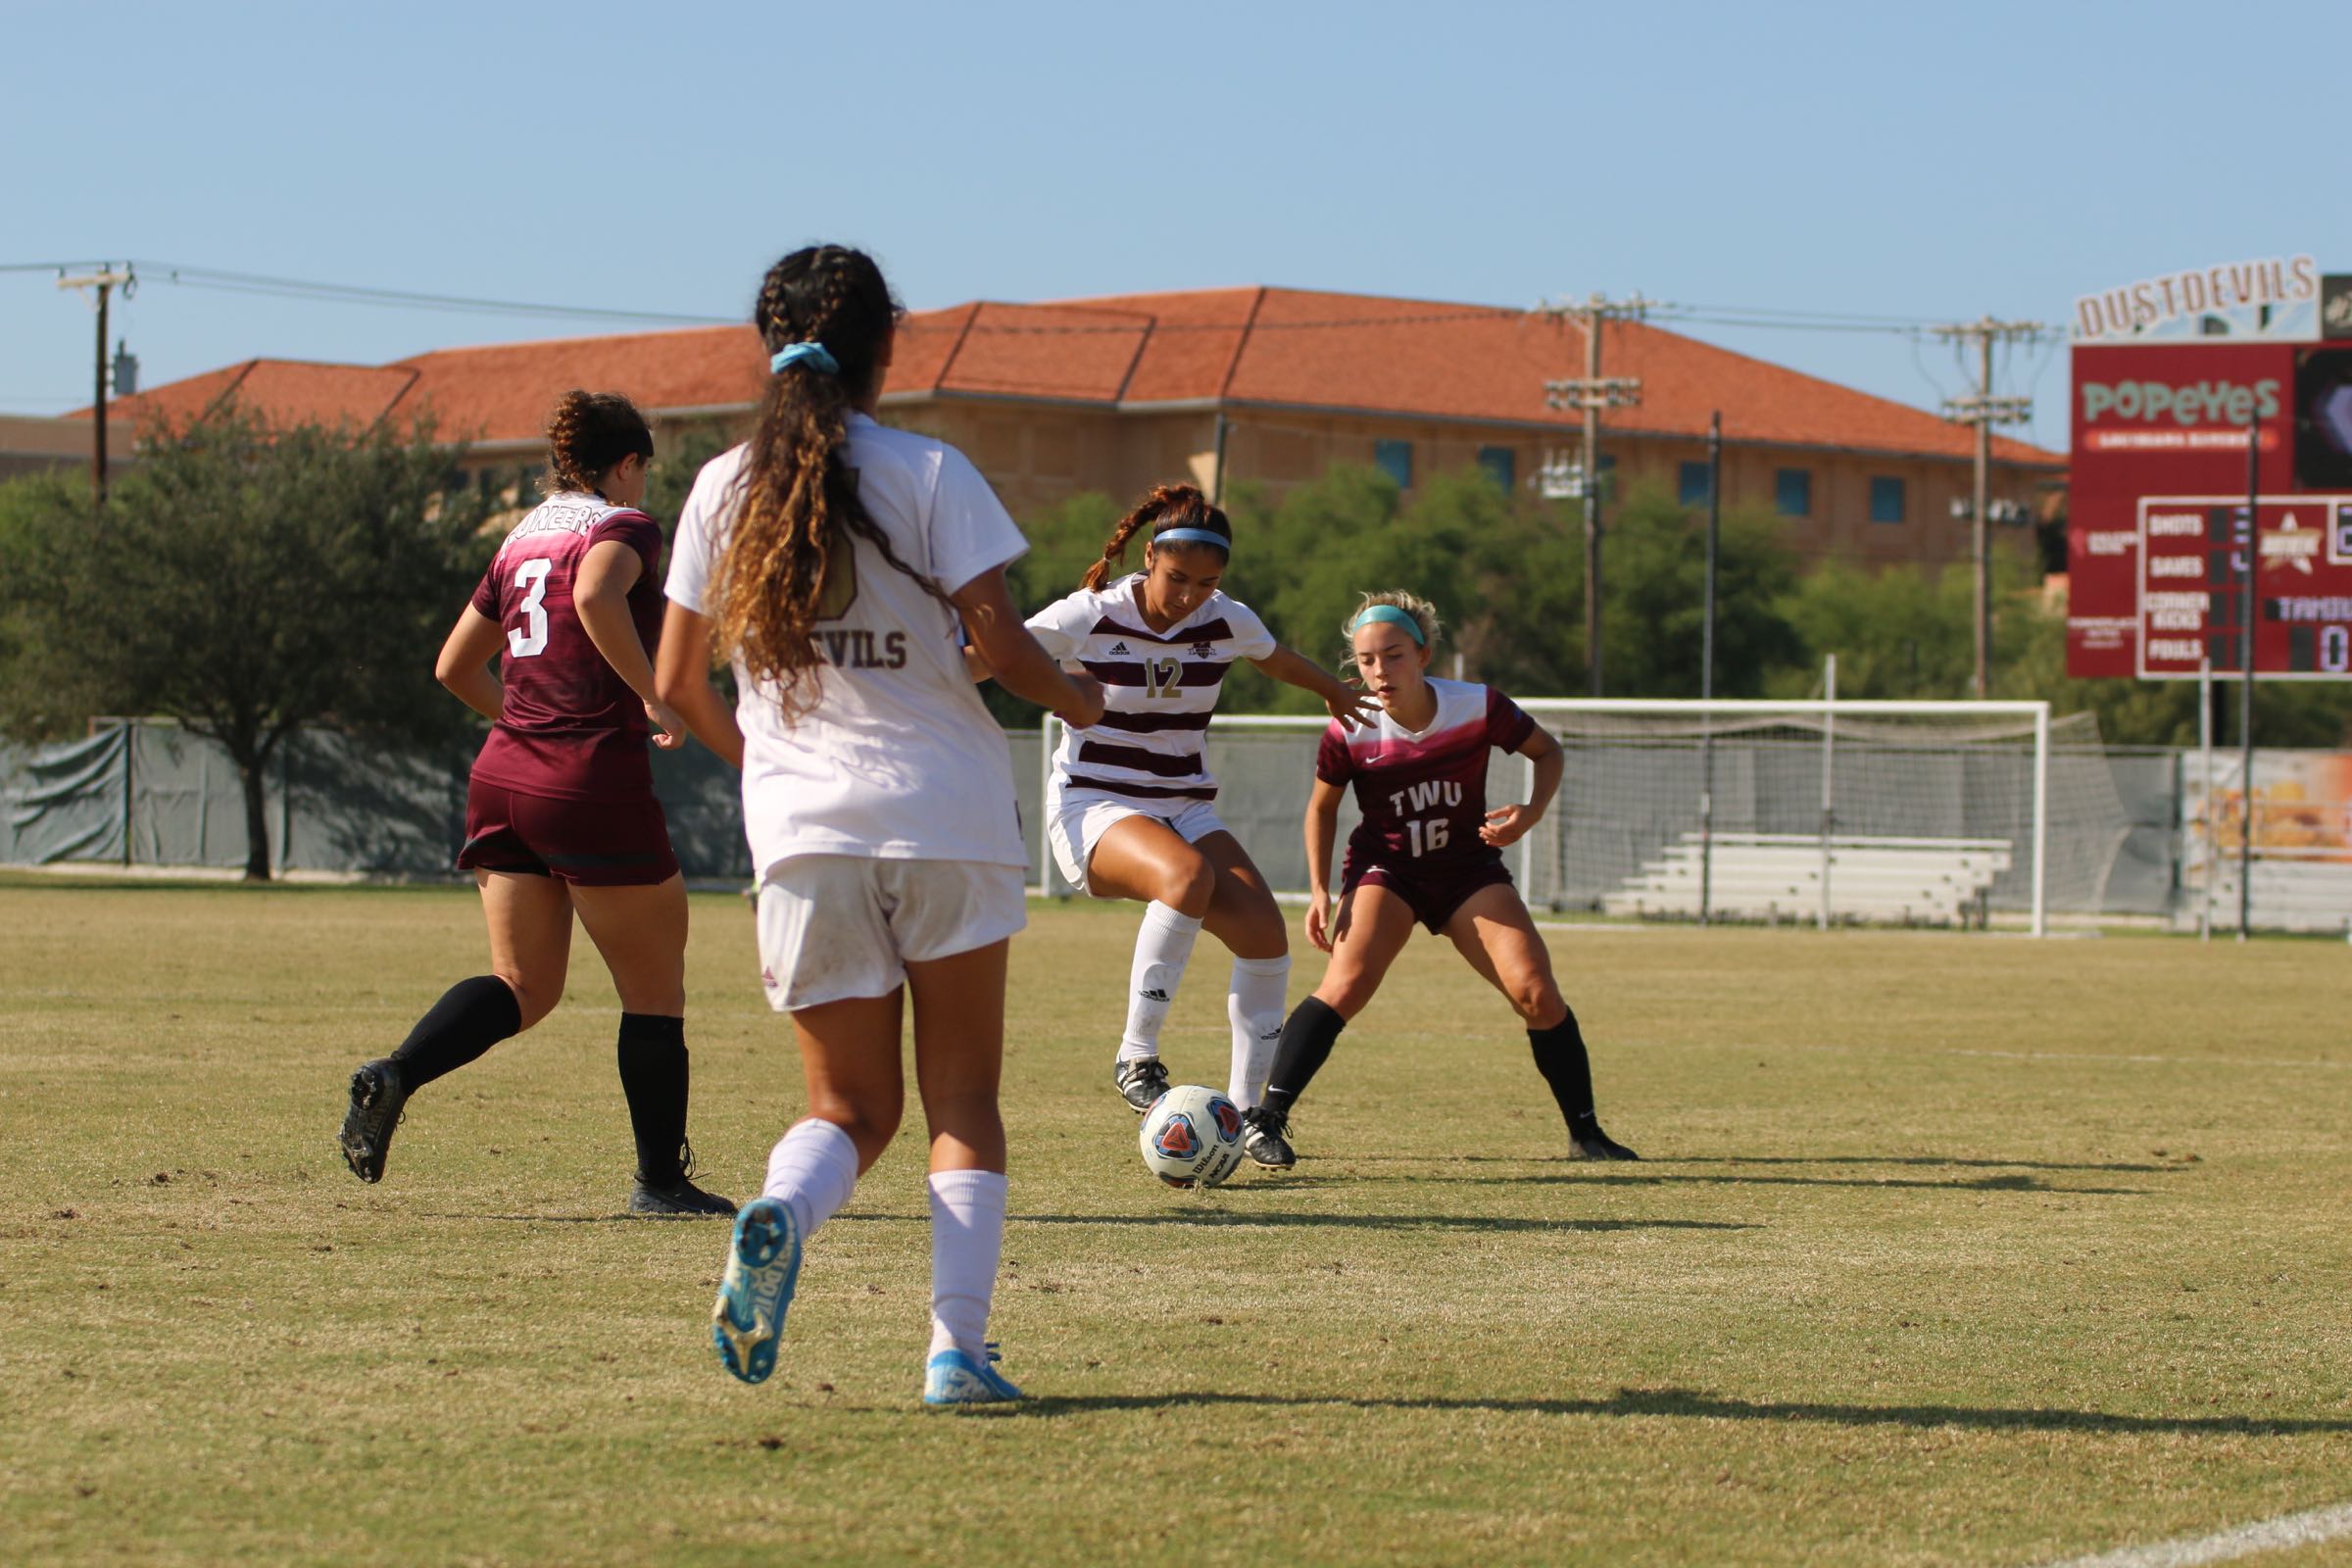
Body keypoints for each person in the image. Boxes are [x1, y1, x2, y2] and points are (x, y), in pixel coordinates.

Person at [653, 244, 1103, 1406]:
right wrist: (1080, 701)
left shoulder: (718, 486)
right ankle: (957, 1351)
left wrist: (774, 770)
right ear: (884, 348)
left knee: (847, 1109)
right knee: (961, 1103)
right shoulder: (934, 469)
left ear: (769, 344)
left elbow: (677, 686)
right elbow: (999, 644)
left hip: (803, 832)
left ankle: (783, 1211)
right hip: (946, 814)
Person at [337, 390, 735, 1216]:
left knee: (524, 984)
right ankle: (659, 1183)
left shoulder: (518, 541)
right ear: (626, 463)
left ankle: (396, 1073)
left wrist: (528, 724)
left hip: (505, 775)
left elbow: (454, 668)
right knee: (654, 991)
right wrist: (653, 700)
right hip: (589, 778)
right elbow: (595, 596)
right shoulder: (621, 527)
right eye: (643, 471)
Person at [1012, 486, 1377, 1164]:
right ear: (1148, 558)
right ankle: (1136, 1054)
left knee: (1266, 938)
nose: (1188, 597)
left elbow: (1273, 655)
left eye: (1206, 584)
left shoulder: (1223, 617)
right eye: (1176, 579)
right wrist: (940, 676)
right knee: (1187, 877)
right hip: (1093, 802)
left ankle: (1247, 1117)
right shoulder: (1090, 613)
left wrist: (1330, 686)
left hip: (1183, 805)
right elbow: (1003, 654)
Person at [1241, 591, 1641, 1169]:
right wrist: (1321, 890)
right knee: (1345, 984)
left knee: (1535, 990)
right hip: (1388, 870)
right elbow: (1322, 809)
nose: (1380, 670)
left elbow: (1547, 752)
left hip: (1467, 870)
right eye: (1367, 660)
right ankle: (1266, 1120)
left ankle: (1586, 1133)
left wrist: (1529, 813)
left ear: (1424, 654)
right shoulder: (1350, 726)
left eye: (1394, 655)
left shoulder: (1476, 706)